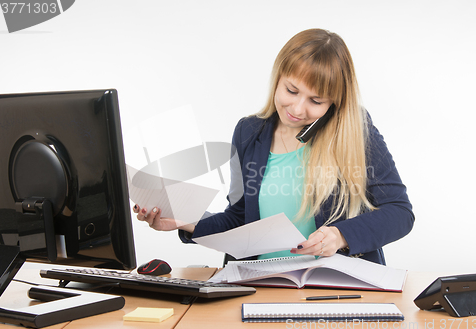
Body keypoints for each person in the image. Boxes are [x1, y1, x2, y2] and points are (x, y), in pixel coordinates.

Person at [134, 28, 414, 265]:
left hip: (337, 289)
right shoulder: (248, 132)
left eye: (316, 101)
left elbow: (400, 212)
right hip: (263, 287)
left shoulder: (355, 131)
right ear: (278, 78)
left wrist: (341, 236)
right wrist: (187, 221)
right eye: (291, 91)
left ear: (335, 102)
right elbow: (241, 218)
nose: (297, 108)